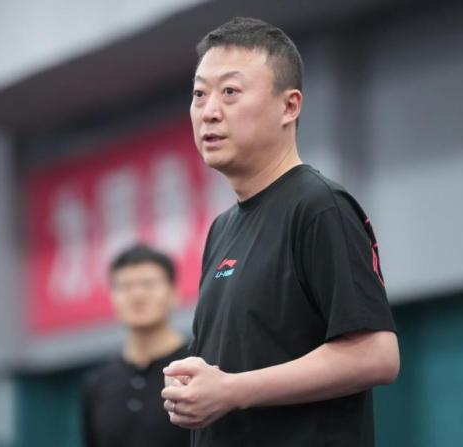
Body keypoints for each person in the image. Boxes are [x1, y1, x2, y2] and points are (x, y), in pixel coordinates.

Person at [161, 17, 400, 447]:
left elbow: (376, 355)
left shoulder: (319, 206)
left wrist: (232, 390)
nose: (209, 111)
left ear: (289, 107)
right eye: (199, 94)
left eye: (230, 92)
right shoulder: (222, 228)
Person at [81, 244, 190, 447]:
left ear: (174, 294)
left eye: (148, 284)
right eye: (125, 286)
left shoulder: (195, 366)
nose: (137, 295)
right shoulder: (97, 383)